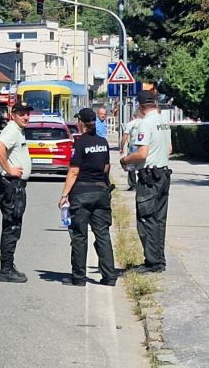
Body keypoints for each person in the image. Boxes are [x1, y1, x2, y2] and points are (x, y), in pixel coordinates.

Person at [58, 108, 117, 287]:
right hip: (100, 192)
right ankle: (109, 277)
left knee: (79, 236)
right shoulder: (103, 142)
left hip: (81, 194)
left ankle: (79, 277)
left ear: (81, 122)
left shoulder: (80, 143)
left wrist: (64, 194)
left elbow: (74, 171)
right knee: (103, 235)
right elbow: (106, 167)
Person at [120, 90, 172, 274]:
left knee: (146, 219)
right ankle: (159, 259)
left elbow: (142, 154)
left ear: (140, 106)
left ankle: (152, 262)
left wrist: (125, 160)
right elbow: (170, 148)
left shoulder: (145, 123)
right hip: (164, 174)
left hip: (149, 177)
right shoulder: (163, 121)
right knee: (159, 220)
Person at [0, 101, 33, 283]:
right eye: (21, 113)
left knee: (13, 226)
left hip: (15, 185)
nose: (25, 116)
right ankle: (6, 269)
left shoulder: (18, 131)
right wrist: (9, 169)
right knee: (12, 226)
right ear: (13, 114)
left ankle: (8, 264)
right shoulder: (11, 130)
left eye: (27, 113)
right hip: (12, 185)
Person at [120, 109, 143, 191]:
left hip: (133, 145)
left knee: (131, 166)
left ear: (133, 116)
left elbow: (125, 136)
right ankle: (142, 183)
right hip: (143, 145)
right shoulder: (145, 123)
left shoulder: (131, 123)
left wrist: (121, 147)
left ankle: (132, 184)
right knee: (142, 165)